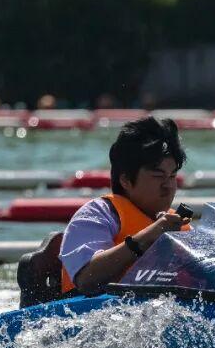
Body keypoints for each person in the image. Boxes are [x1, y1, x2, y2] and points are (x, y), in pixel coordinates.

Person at [59, 116, 190, 295]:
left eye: (172, 176)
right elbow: (86, 279)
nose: (167, 185)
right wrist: (149, 237)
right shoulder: (98, 214)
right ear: (126, 180)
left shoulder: (181, 226)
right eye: (158, 176)